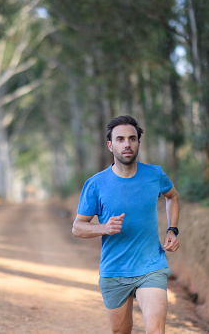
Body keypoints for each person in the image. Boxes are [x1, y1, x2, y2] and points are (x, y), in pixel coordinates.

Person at [72, 115, 180, 334]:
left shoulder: (154, 175)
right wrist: (104, 228)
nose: (127, 144)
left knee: (156, 331)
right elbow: (77, 227)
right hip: (114, 270)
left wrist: (172, 229)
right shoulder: (95, 184)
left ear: (139, 143)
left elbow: (173, 196)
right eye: (120, 139)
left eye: (132, 138)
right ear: (111, 145)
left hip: (151, 266)